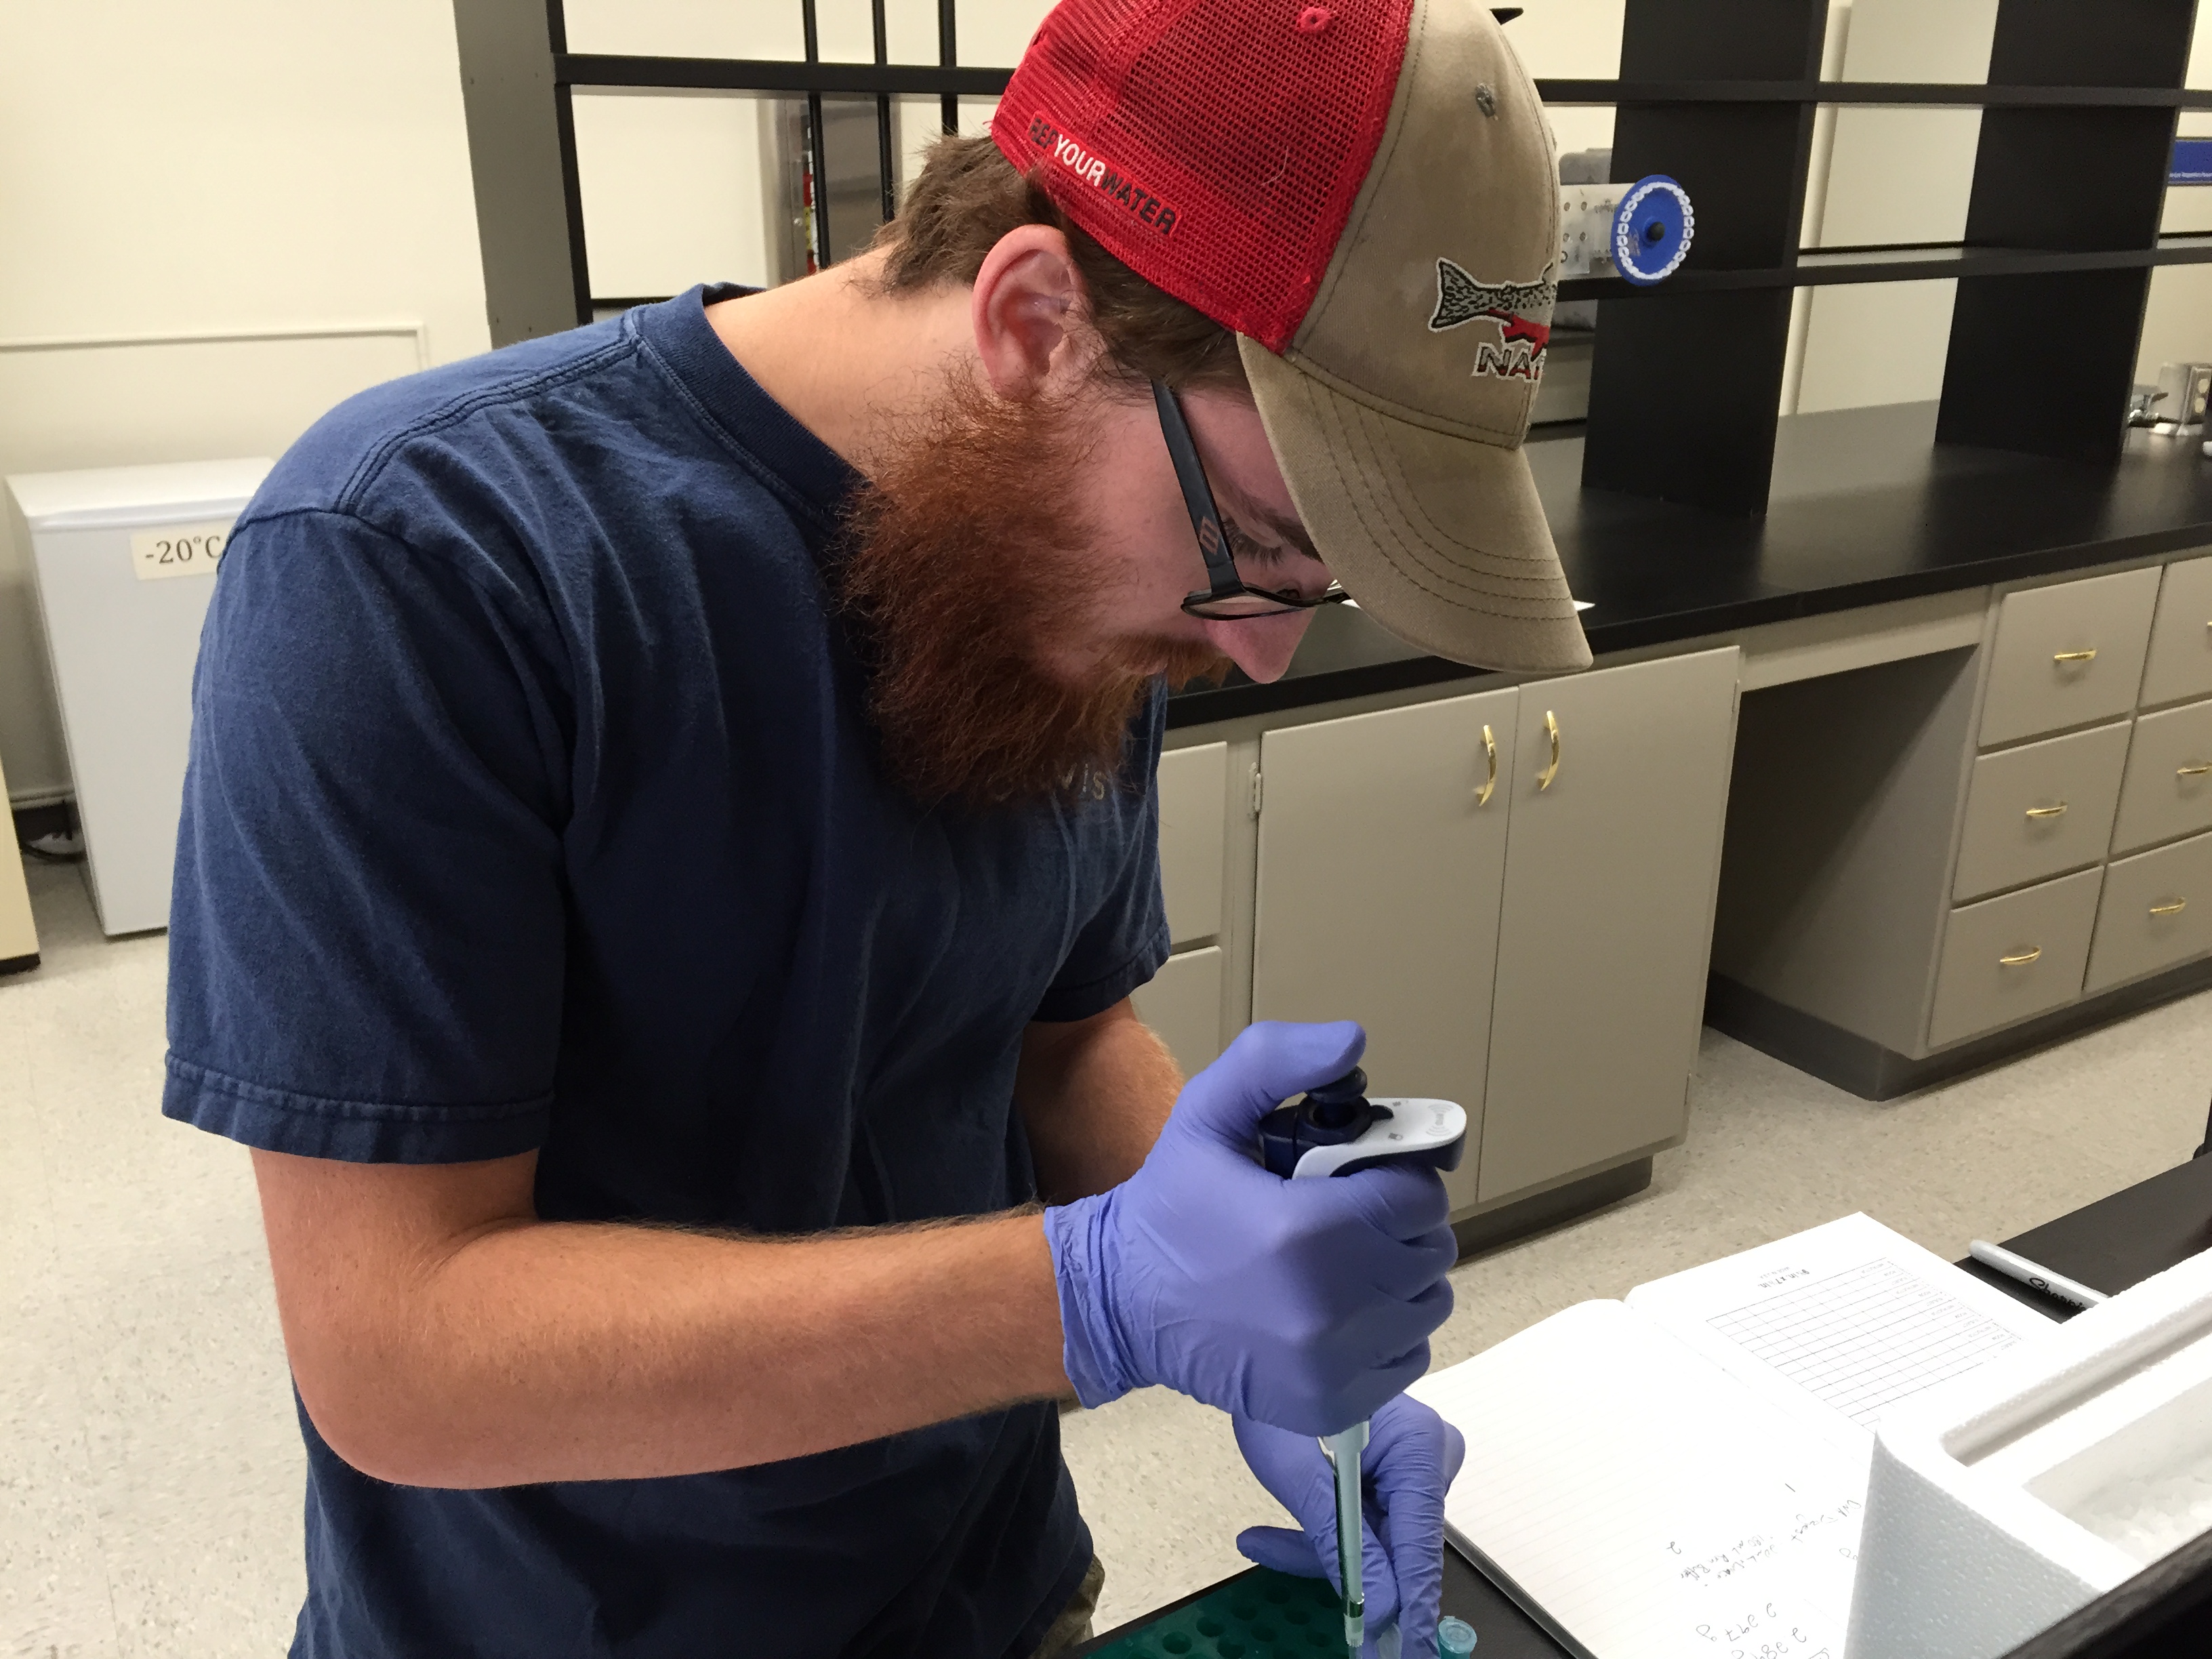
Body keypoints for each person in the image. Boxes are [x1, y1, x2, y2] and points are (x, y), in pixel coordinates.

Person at [161, 0, 1589, 1652]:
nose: (1263, 645)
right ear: (1040, 317)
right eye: (1267, 544)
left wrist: (1267, 1328)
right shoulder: (424, 558)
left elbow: (1063, 1037)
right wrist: (1090, 1296)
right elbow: (398, 1355)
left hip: (989, 1591)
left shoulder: (1057, 553)